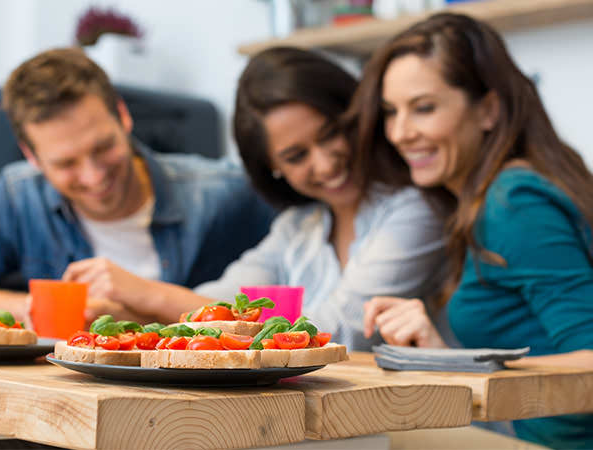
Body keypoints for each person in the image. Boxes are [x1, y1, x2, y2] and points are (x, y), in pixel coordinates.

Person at [84, 46, 450, 351]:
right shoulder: (297, 227)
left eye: (331, 134)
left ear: (356, 117)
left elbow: (339, 331)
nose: (324, 163)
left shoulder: (415, 209)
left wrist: (149, 294)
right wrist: (127, 311)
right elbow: (227, 303)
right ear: (273, 168)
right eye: (296, 156)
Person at [354, 13, 593, 449]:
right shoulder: (487, 199)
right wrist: (441, 354)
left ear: (488, 109)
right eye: (391, 112)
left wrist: (464, 364)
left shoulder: (514, 202)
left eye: (423, 108)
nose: (400, 133)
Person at [0, 48, 275, 325]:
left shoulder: (225, 193)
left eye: (103, 148)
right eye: (66, 163)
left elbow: (303, 281)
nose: (93, 176)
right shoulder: (17, 197)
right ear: (32, 156)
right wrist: (29, 307)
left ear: (123, 116)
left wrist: (149, 300)